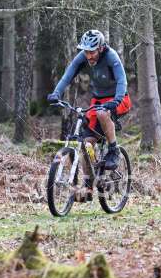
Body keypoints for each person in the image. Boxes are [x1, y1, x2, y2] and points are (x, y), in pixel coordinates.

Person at [47, 29, 131, 175]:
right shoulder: (84, 57)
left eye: (92, 52)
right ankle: (89, 187)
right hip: (98, 101)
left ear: (101, 48)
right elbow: (67, 76)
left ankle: (113, 150)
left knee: (102, 113)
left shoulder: (112, 57)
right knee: (87, 145)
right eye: (86, 52)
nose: (89, 56)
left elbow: (122, 80)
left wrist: (117, 100)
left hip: (119, 98)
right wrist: (56, 93)